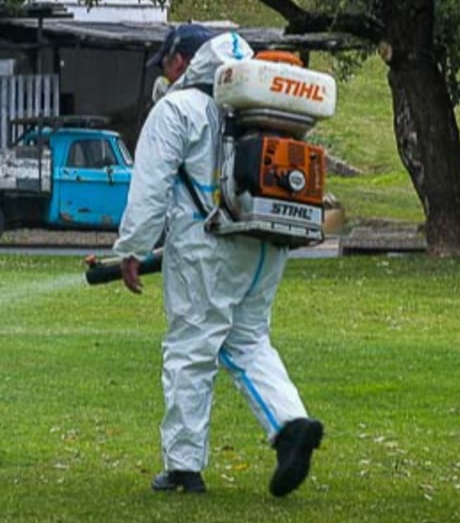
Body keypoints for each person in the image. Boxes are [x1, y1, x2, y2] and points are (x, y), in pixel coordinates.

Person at [114, 31, 323, 497]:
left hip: (207, 245)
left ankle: (183, 467)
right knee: (248, 340)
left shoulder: (177, 109)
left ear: (185, 60)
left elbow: (149, 188)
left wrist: (131, 248)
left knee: (191, 350)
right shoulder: (254, 109)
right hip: (265, 241)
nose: (166, 73)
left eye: (167, 63)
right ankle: (291, 425)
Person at [147, 23, 214, 103]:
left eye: (163, 67)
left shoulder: (172, 110)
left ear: (177, 62)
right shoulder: (225, 106)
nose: (164, 77)